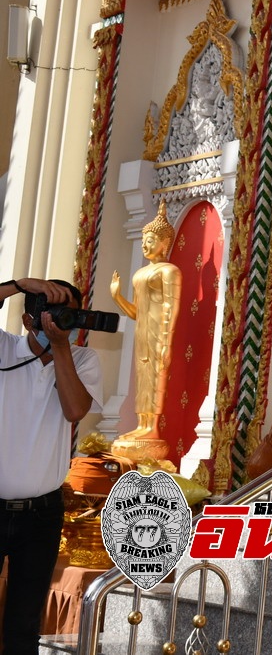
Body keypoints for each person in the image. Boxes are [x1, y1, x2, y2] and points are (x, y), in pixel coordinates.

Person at [0, 277, 102, 655]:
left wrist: (60, 346)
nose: (63, 322)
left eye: (69, 314)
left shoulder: (83, 359)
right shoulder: (4, 347)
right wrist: (16, 284)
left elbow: (75, 410)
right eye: (53, 313)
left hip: (41, 515)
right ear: (29, 320)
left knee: (24, 627)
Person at [110, 201, 181, 444]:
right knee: (142, 379)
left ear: (164, 243)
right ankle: (142, 424)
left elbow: (172, 308)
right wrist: (117, 296)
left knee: (156, 377)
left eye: (151, 240)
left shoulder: (169, 272)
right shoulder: (139, 274)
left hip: (158, 333)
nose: (145, 244)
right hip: (142, 332)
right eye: (144, 239)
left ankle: (152, 428)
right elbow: (135, 313)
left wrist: (167, 342)